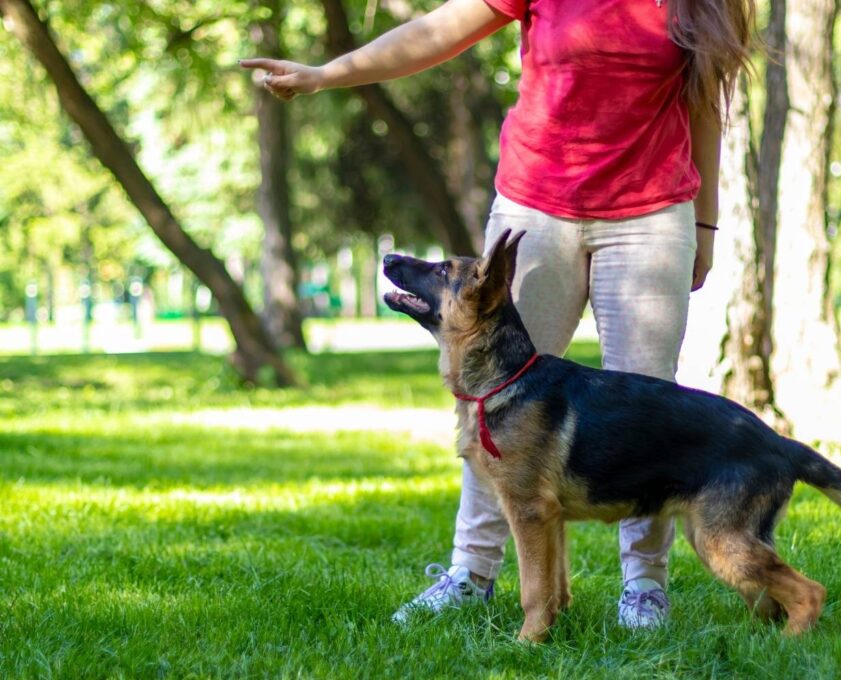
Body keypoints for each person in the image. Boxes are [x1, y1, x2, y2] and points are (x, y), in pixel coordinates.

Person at [242, 0, 754, 629]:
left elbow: (704, 106)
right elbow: (436, 32)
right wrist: (326, 74)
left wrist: (705, 224)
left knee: (648, 403)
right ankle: (471, 573)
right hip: (536, 212)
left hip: (650, 217)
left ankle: (644, 586)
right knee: (494, 400)